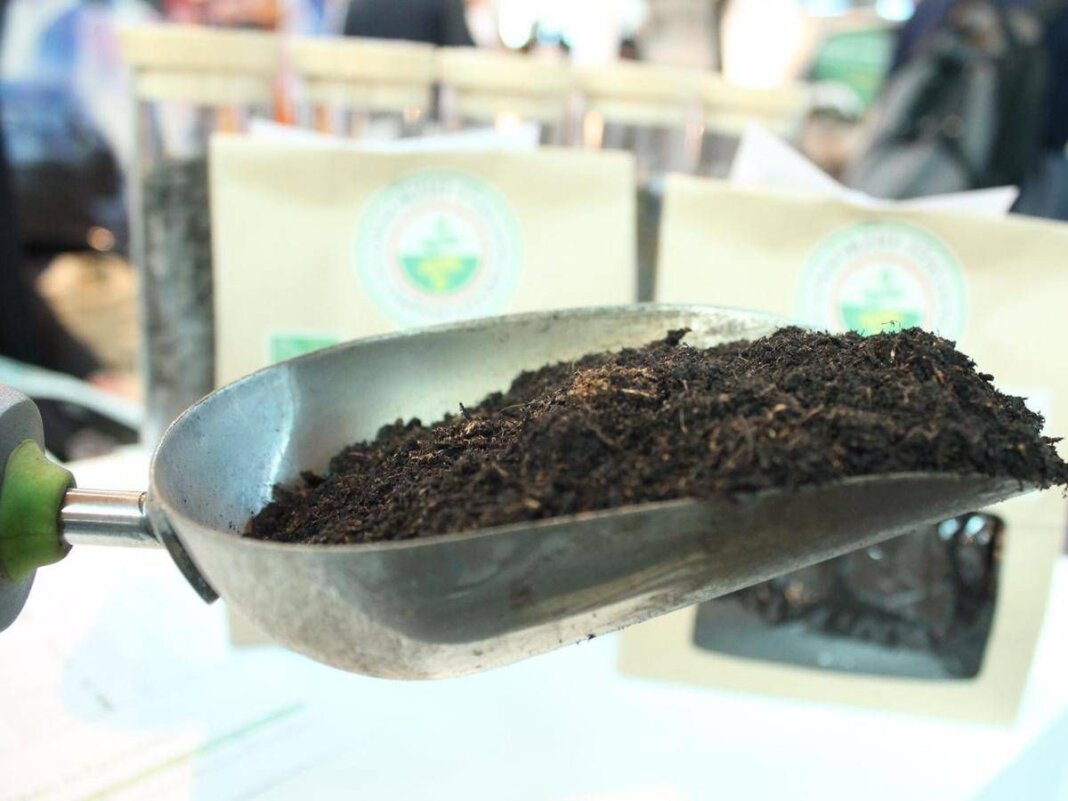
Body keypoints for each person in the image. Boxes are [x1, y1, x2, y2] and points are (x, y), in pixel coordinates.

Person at [891, 0, 1068, 219]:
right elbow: (1056, 128)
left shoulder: (936, 8)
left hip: (911, 174)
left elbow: (893, 91)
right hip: (1022, 191)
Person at [342, 0, 474, 47]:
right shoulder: (445, 3)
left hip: (368, 100)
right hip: (423, 99)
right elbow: (463, 56)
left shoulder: (358, 5)